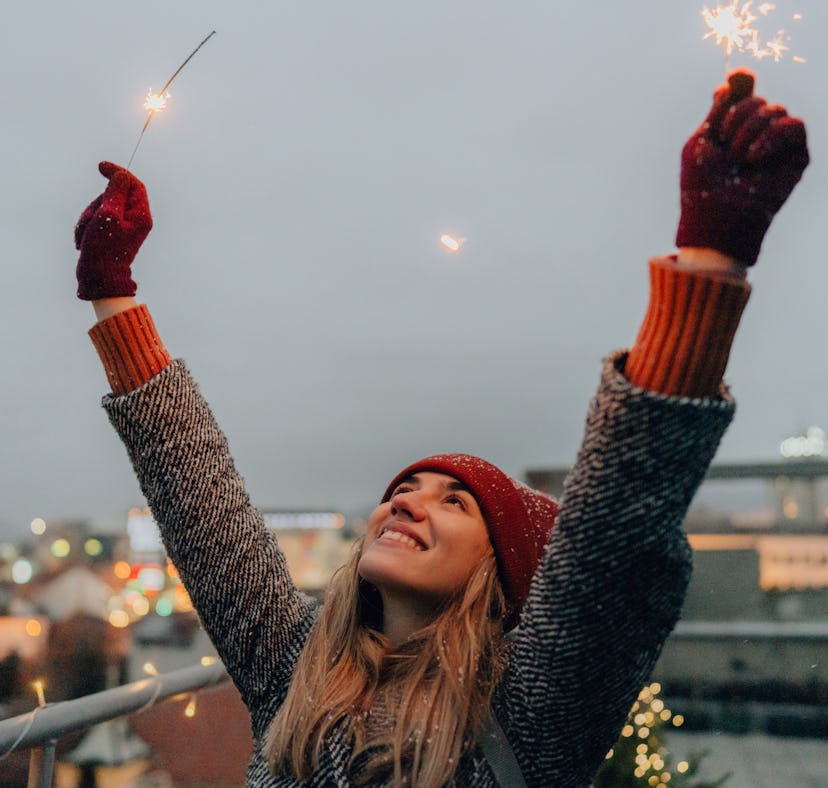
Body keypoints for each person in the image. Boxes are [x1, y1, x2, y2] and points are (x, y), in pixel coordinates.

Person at [73, 70, 807, 787]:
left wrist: (712, 256)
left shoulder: (534, 708)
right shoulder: (296, 669)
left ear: (503, 570)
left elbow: (614, 532)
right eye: (406, 488)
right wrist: (113, 293)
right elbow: (198, 497)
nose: (408, 500)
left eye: (456, 502)